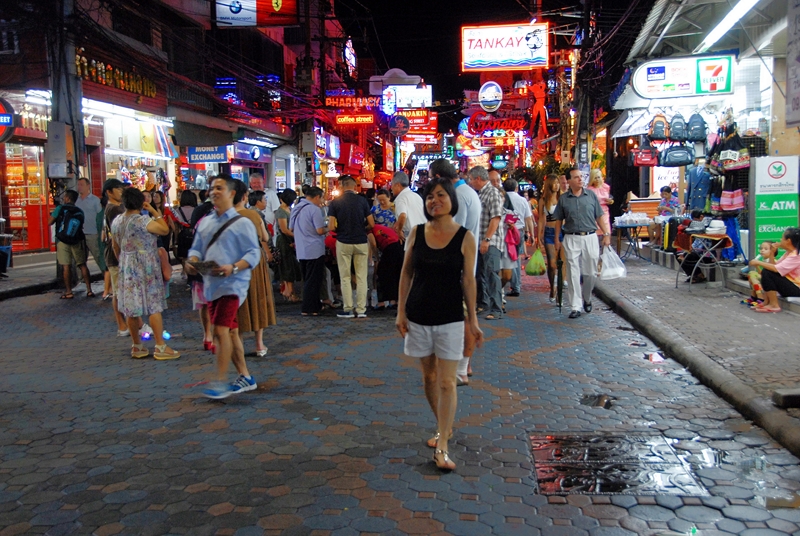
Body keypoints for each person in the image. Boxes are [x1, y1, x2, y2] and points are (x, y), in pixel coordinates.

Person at [396, 177, 483, 472]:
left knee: (447, 381)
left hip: (450, 317)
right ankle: (442, 426)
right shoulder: (417, 233)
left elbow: (468, 281)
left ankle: (443, 445)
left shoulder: (465, 237)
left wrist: (473, 320)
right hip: (419, 315)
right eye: (430, 196)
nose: (435, 201)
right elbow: (406, 273)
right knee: (429, 378)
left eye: (441, 195)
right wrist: (400, 312)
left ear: (452, 200)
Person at [186, 174, 261, 399]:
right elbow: (196, 248)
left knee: (220, 330)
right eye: (212, 188)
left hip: (233, 285)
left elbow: (253, 253)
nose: (214, 191)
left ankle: (219, 381)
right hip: (212, 284)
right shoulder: (206, 222)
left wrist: (233, 267)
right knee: (231, 331)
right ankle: (245, 377)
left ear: (231, 193)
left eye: (219, 188)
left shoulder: (242, 223)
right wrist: (193, 262)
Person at [111, 187, 180, 360]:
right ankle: (160, 346)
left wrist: (123, 260)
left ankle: (137, 346)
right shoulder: (143, 221)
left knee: (132, 308)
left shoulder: (117, 221)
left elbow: (115, 246)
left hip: (126, 266)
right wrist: (154, 211)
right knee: (153, 306)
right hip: (146, 267)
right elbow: (164, 229)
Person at [431, 158, 481, 385]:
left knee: (462, 317)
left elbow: (453, 232)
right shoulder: (467, 192)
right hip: (464, 263)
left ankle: (460, 368)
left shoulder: (459, 195)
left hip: (458, 265)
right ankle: (463, 365)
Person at [553, 168, 611, 319]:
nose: (580, 179)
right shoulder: (564, 199)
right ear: (569, 181)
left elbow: (599, 216)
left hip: (590, 236)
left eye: (581, 176)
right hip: (571, 237)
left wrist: (606, 234)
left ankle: (587, 297)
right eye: (576, 177)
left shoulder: (590, 195)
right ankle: (575, 306)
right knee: (572, 271)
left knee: (590, 272)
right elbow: (558, 220)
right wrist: (557, 239)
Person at [233, 181, 277, 357]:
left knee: (237, 302)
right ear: (244, 197)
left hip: (233, 260)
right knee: (258, 297)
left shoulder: (223, 216)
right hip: (253, 260)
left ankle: (238, 344)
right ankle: (259, 344)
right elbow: (265, 237)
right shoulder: (253, 215)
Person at [328, 175, 375, 319]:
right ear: (355, 186)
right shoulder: (362, 201)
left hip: (343, 242)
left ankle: (348, 308)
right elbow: (372, 224)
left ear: (342, 186)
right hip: (361, 241)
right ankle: (361, 310)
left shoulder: (335, 203)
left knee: (345, 277)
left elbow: (331, 226)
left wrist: (340, 230)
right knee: (361, 277)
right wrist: (362, 229)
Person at [470, 166, 505, 320]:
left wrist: (487, 239)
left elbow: (495, 218)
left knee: (491, 274)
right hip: (480, 241)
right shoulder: (480, 194)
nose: (471, 182)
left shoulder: (492, 193)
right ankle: (483, 303)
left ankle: (496, 309)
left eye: (472, 179)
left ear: (478, 179)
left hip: (491, 242)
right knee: (481, 274)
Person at [289, 186, 328, 316]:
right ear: (317, 197)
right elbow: (319, 230)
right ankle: (310, 308)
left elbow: (291, 228)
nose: (321, 201)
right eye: (321, 198)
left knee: (307, 278)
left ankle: (313, 305)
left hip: (301, 249)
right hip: (314, 249)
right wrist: (329, 228)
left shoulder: (296, 208)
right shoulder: (314, 209)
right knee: (314, 280)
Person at [49, 189, 94, 299]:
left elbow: (49, 222)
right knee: (82, 265)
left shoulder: (60, 208)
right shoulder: (80, 211)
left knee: (66, 266)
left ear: (67, 198)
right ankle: (89, 290)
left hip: (62, 241)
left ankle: (69, 292)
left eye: (65, 197)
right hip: (77, 240)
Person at [749, 228, 800, 313]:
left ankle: (774, 305)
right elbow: (774, 266)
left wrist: (758, 262)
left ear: (788, 241)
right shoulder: (788, 253)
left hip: (797, 288)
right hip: (791, 284)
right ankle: (767, 302)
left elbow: (776, 269)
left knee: (767, 272)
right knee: (767, 271)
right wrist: (772, 253)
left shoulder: (796, 255)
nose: (780, 240)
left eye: (782, 238)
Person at [102, 179, 129, 335]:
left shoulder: (113, 208)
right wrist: (120, 256)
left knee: (122, 292)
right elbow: (116, 237)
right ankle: (123, 326)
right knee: (119, 293)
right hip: (116, 256)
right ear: (109, 192)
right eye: (118, 189)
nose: (121, 191)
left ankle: (131, 325)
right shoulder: (114, 210)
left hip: (117, 255)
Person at [75, 177, 109, 298]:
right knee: (80, 260)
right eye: (78, 185)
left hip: (93, 233)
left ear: (88, 186)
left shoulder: (95, 200)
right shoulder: (76, 201)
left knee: (99, 258)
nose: (79, 187)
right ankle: (85, 285)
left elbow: (100, 217)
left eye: (81, 184)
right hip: (80, 234)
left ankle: (108, 284)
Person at [503, 178, 535, 297]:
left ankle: (514, 284)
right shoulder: (522, 200)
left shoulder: (502, 199)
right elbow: (528, 218)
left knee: (509, 257)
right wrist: (531, 234)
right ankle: (516, 285)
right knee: (516, 258)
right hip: (519, 231)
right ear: (516, 188)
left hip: (506, 231)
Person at [538, 175, 563, 302]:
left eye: (558, 183)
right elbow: (541, 219)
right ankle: (552, 287)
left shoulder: (562, 198)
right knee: (552, 265)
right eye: (554, 183)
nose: (556, 185)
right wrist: (538, 236)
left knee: (561, 263)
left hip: (562, 232)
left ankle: (559, 291)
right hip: (549, 232)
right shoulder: (543, 200)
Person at [275, 189, 302, 302]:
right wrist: (298, 235)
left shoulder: (288, 209)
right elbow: (284, 230)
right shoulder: (281, 211)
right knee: (287, 265)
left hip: (289, 239)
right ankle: (289, 292)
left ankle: (288, 291)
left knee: (290, 265)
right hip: (284, 241)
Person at [370, 224, 403, 309]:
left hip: (389, 247)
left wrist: (377, 257)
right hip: (398, 245)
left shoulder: (370, 230)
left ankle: (384, 301)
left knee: (383, 273)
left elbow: (373, 244)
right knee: (396, 273)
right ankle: (396, 300)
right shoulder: (380, 227)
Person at [391, 171, 426, 249]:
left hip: (411, 239)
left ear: (398, 185)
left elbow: (403, 215)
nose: (391, 188)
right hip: (424, 236)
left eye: (392, 184)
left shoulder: (401, 198)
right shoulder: (416, 196)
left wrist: (399, 230)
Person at [587, 169, 613, 243]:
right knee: (596, 231)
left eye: (598, 177)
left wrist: (610, 201)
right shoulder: (589, 190)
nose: (597, 179)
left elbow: (609, 198)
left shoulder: (605, 187)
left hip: (605, 211)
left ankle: (606, 245)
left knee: (606, 230)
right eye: (595, 178)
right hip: (594, 211)